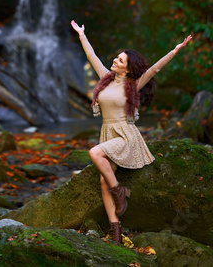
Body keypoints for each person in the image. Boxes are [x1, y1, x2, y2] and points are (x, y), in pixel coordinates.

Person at [71, 19, 192, 243]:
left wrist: (175, 51)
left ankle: (119, 191)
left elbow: (155, 68)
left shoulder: (133, 85)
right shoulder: (105, 78)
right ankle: (116, 231)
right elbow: (92, 56)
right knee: (102, 182)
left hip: (125, 136)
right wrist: (81, 35)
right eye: (116, 58)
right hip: (107, 133)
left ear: (128, 68)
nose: (114, 60)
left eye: (120, 60)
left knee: (94, 153)